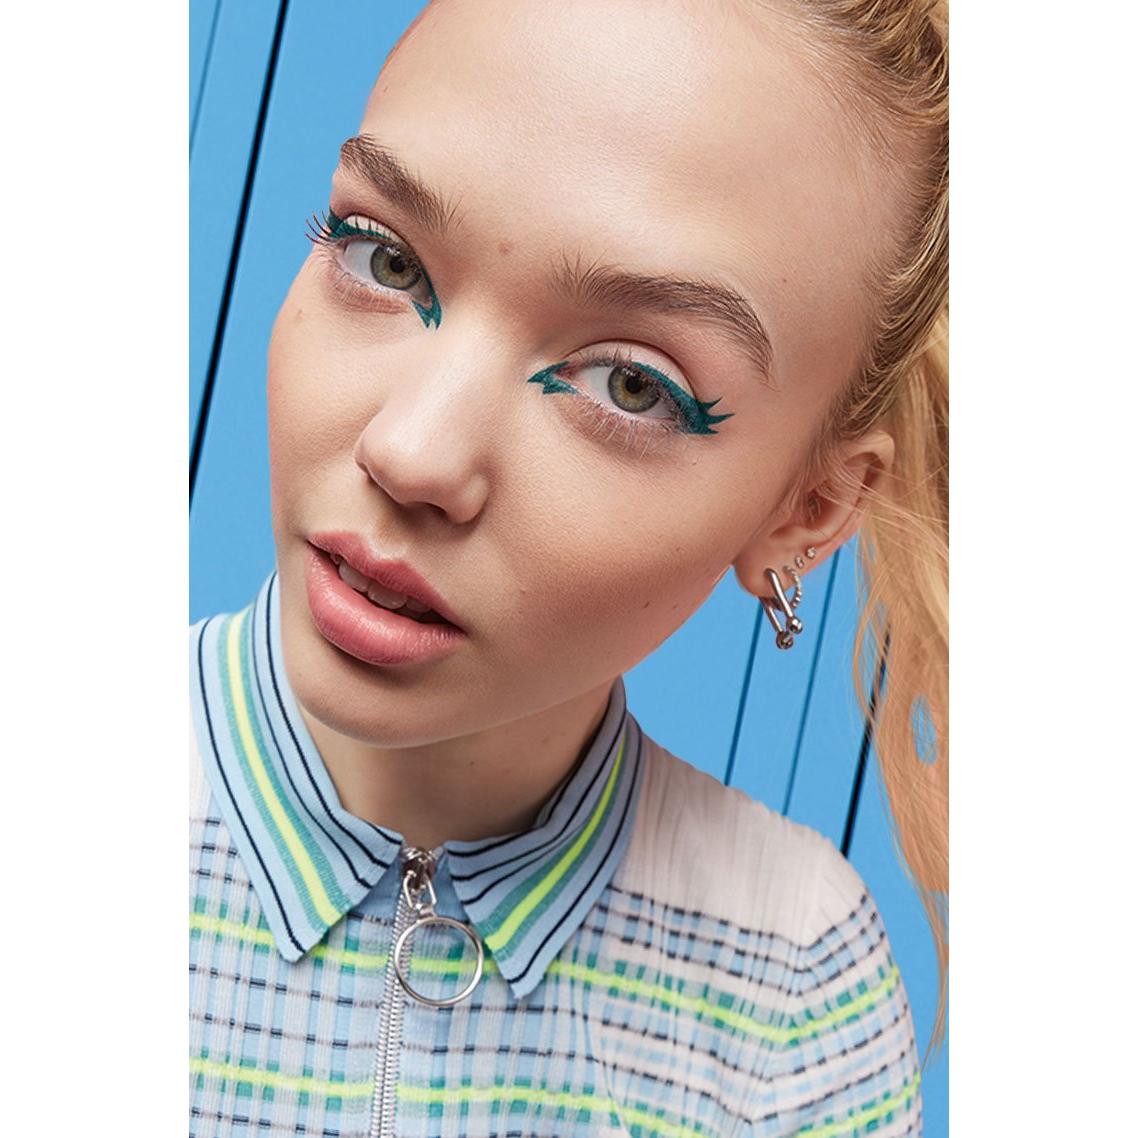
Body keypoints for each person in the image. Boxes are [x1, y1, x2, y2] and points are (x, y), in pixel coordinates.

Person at [189, 0, 948, 1134]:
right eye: (383, 256)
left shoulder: (791, 977)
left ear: (809, 510)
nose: (411, 452)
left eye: (630, 384)